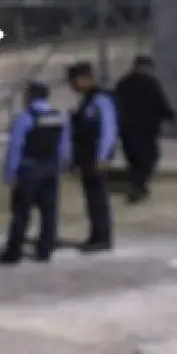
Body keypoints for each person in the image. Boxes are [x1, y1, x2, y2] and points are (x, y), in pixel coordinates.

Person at [0, 82, 69, 265]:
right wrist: (58, 166)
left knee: (21, 212)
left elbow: (16, 147)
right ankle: (45, 250)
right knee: (49, 213)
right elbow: (64, 146)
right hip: (50, 168)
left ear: (30, 97)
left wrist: (11, 174)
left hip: (29, 169)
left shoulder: (24, 117)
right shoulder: (58, 117)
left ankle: (14, 252)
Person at [66, 62, 118, 252]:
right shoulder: (86, 100)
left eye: (74, 81)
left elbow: (108, 129)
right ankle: (96, 234)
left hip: (96, 157)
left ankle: (103, 238)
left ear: (84, 79)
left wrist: (103, 156)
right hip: (86, 157)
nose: (72, 86)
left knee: (98, 199)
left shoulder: (100, 99)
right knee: (91, 199)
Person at [112, 55, 174, 202]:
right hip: (144, 130)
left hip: (131, 130)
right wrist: (169, 115)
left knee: (136, 160)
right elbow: (159, 101)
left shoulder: (123, 84)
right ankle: (138, 186)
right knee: (147, 158)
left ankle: (138, 185)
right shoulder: (148, 83)